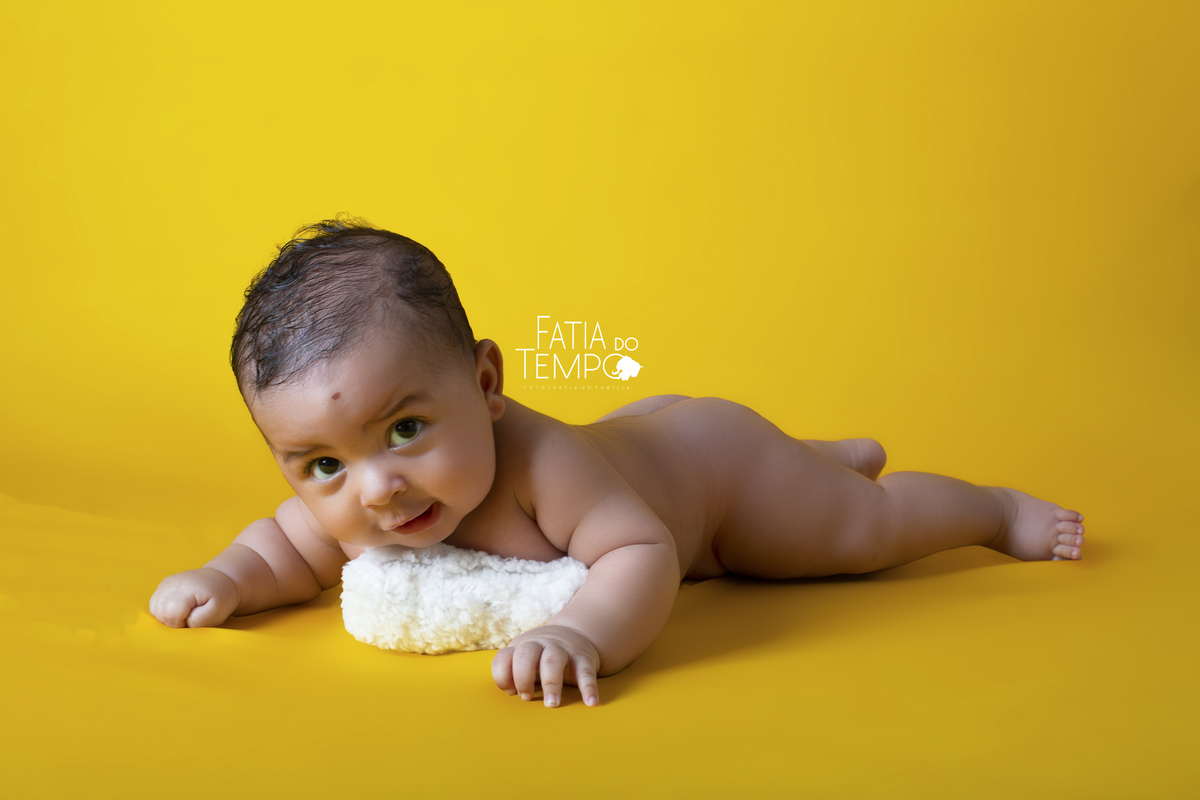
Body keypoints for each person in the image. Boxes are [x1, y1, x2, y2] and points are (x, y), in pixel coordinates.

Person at [149, 218, 1086, 708]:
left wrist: (585, 635)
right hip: (648, 441)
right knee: (674, 448)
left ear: (486, 385)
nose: (376, 489)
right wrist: (226, 580)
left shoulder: (541, 466)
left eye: (403, 432)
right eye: (319, 466)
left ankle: (987, 512)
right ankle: (828, 455)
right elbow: (285, 548)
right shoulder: (366, 502)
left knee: (852, 531)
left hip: (719, 487)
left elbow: (641, 552)